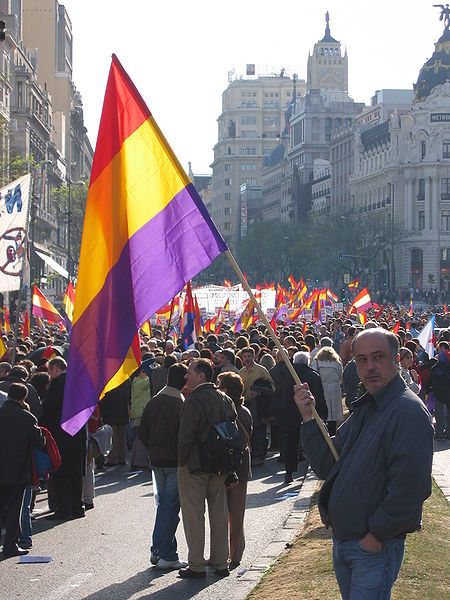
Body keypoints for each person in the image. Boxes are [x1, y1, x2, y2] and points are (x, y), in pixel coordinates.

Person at [294, 328, 434, 600]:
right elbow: (327, 465)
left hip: (373, 547)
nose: (370, 366)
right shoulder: (367, 407)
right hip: (347, 541)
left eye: (378, 357)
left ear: (396, 359)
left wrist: (375, 537)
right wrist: (309, 417)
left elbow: (411, 488)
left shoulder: (407, 411)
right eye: (361, 359)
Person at [177, 358, 237, 578]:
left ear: (201, 376)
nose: (186, 376)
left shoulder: (193, 401)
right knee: (219, 514)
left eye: (190, 372)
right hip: (220, 465)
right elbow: (233, 431)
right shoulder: (224, 398)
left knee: (194, 516)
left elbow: (185, 437)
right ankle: (221, 562)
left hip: (196, 465)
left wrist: (182, 461)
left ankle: (196, 564)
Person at [139, 363, 188, 570]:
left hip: (157, 460)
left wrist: (153, 447)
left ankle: (160, 550)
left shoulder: (155, 401)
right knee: (169, 508)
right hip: (173, 462)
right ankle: (163, 552)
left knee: (164, 507)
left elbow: (143, 432)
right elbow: (185, 435)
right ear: (184, 381)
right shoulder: (179, 404)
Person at [0, 383, 45, 558]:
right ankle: (10, 545)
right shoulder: (27, 417)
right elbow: (39, 443)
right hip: (18, 470)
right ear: (23, 398)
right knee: (14, 510)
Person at [42, 358, 87, 521]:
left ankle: (64, 509)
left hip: (62, 432)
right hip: (78, 431)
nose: (49, 374)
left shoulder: (58, 383)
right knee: (75, 471)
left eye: (49, 371)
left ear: (55, 369)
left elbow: (51, 407)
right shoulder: (78, 380)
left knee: (62, 471)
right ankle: (77, 506)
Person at [217, 371, 252, 569]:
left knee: (231, 512)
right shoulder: (245, 410)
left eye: (219, 384)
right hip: (241, 464)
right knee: (236, 512)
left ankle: (233, 554)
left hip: (231, 464)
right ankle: (236, 551)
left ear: (226, 390)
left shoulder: (231, 412)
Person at [239, 347, 274, 467]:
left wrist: (260, 392)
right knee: (248, 430)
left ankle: (260, 455)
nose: (247, 359)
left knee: (259, 429)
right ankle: (252, 454)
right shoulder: (241, 372)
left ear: (254, 357)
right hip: (245, 404)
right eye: (245, 357)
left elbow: (271, 387)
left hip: (258, 404)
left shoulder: (261, 370)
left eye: (249, 356)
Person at [312, 343, 344, 436]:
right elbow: (340, 375)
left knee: (324, 408)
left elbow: (314, 373)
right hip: (334, 388)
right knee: (334, 411)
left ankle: (323, 432)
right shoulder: (337, 362)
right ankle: (332, 432)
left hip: (322, 386)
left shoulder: (317, 361)